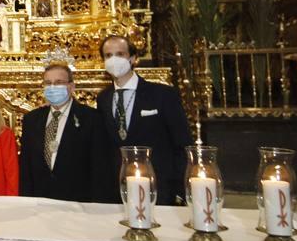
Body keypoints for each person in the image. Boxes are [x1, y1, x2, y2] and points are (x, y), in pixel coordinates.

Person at [95, 35, 192, 205]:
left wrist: (179, 189)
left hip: (158, 186)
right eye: (108, 56)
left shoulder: (163, 94)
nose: (114, 60)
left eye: (120, 54)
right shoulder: (103, 98)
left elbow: (182, 143)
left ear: (132, 58)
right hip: (118, 189)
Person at [18, 59, 104, 201]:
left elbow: (99, 168)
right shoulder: (31, 120)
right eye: (48, 83)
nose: (52, 87)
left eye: (58, 83)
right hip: (40, 203)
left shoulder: (91, 119)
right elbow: (26, 168)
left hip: (78, 204)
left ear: (71, 87)